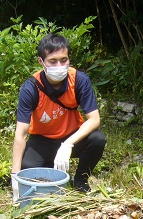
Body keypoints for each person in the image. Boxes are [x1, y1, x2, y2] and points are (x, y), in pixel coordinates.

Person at [11, 33, 106, 196]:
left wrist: (68, 144)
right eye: (52, 61)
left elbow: (94, 120)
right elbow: (21, 134)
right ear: (41, 62)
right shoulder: (30, 88)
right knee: (28, 168)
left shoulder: (79, 80)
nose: (59, 65)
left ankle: (81, 180)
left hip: (72, 137)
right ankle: (50, 169)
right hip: (42, 141)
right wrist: (15, 175)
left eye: (64, 60)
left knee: (97, 139)